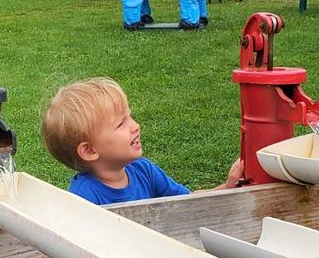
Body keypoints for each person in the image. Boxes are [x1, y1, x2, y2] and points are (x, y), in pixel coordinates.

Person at [41, 77, 243, 205]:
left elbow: (185, 202)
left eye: (129, 116)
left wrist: (226, 187)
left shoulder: (143, 170)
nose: (135, 125)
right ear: (90, 150)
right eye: (121, 124)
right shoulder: (84, 197)